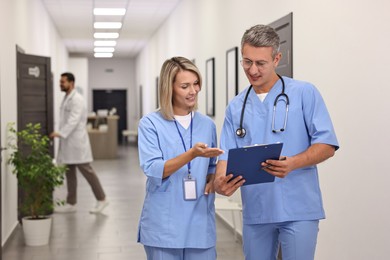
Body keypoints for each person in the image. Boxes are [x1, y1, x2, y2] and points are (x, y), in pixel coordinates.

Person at [214, 25, 339, 260]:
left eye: (260, 63)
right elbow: (226, 157)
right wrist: (221, 182)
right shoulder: (236, 107)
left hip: (298, 207)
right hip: (257, 210)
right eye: (247, 62)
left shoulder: (304, 93)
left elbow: (327, 145)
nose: (252, 70)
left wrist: (293, 162)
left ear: (277, 58)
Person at [137, 57, 223, 260]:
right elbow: (153, 168)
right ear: (169, 89)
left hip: (199, 220)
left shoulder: (207, 124)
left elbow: (211, 166)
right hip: (164, 224)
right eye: (185, 86)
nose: (193, 91)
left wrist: (213, 179)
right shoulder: (150, 124)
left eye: (196, 84)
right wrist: (191, 154)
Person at [50, 72, 109, 214]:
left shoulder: (77, 99)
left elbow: (73, 120)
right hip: (69, 143)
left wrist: (60, 133)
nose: (60, 84)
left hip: (76, 143)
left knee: (88, 172)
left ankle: (102, 199)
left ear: (71, 83)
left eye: (63, 82)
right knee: (69, 173)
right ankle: (71, 202)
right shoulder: (66, 98)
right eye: (60, 81)